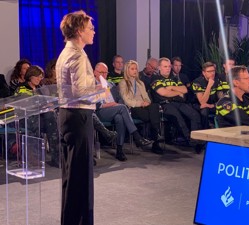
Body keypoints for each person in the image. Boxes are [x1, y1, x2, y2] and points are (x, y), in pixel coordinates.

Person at [56, 10, 100, 225]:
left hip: (66, 116)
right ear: (80, 31)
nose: (94, 31)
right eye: (90, 28)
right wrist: (102, 90)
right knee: (81, 178)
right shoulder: (78, 55)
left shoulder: (65, 52)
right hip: (79, 116)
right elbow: (82, 92)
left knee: (71, 177)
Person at [94, 62, 153, 161]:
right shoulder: (92, 85)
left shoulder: (110, 84)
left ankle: (119, 150)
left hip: (115, 109)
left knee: (120, 117)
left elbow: (120, 99)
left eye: (106, 72)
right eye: (101, 72)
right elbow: (95, 104)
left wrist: (116, 104)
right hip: (101, 111)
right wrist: (113, 105)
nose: (104, 75)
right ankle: (137, 137)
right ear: (95, 72)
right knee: (122, 108)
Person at [151, 57, 202, 147]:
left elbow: (185, 89)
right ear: (159, 67)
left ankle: (196, 139)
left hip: (178, 102)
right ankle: (190, 140)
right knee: (178, 118)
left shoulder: (174, 78)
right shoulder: (155, 78)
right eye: (165, 66)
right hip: (164, 104)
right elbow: (163, 92)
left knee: (195, 115)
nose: (168, 68)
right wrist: (178, 93)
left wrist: (172, 88)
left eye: (169, 66)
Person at [15, 65, 60, 167]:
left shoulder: (41, 88)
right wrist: (43, 105)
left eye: (41, 77)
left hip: (42, 117)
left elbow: (47, 102)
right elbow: (27, 104)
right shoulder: (21, 88)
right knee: (35, 119)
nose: (40, 79)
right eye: (38, 77)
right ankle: (33, 157)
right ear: (31, 76)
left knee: (51, 116)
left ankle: (57, 157)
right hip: (25, 117)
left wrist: (49, 105)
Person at [119, 60, 163, 154]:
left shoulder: (140, 83)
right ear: (127, 70)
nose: (135, 71)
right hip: (133, 108)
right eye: (132, 69)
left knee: (154, 106)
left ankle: (155, 137)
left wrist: (146, 102)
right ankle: (156, 138)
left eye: (136, 69)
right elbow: (127, 101)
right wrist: (141, 103)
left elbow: (147, 98)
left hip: (144, 107)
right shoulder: (123, 83)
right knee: (152, 115)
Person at [192, 61, 224, 129]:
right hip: (199, 106)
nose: (212, 73)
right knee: (204, 110)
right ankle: (205, 132)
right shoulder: (197, 82)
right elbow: (202, 102)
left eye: (213, 71)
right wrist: (209, 86)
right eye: (209, 71)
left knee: (225, 107)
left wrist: (213, 105)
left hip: (213, 105)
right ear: (204, 73)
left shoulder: (217, 81)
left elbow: (221, 99)